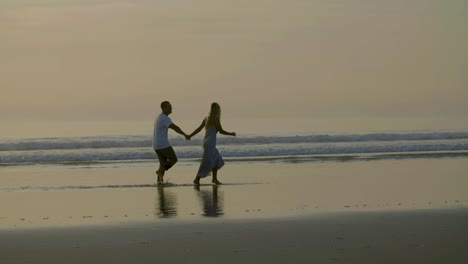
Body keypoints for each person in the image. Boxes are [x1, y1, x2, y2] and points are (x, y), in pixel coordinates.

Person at [188, 102, 236, 185]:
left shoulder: (206, 119)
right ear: (217, 110)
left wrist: (190, 135)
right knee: (207, 162)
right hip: (210, 143)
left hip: (206, 142)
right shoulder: (216, 119)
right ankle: (197, 179)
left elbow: (199, 129)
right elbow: (221, 131)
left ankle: (214, 179)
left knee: (217, 159)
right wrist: (231, 133)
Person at [153, 101, 189, 184]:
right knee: (173, 159)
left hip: (156, 145)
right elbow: (174, 127)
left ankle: (159, 182)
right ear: (164, 108)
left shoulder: (159, 116)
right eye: (169, 106)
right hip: (163, 144)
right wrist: (184, 134)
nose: (171, 108)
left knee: (163, 163)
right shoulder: (165, 118)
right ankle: (160, 172)